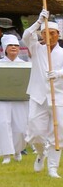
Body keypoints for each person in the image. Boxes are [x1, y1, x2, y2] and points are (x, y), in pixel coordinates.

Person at [22, 11, 63, 178]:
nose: (49, 37)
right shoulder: (37, 48)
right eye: (45, 34)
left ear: (58, 34)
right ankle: (40, 153)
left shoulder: (62, 53)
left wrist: (59, 74)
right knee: (35, 131)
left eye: (52, 34)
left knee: (58, 133)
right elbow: (26, 36)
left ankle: (53, 167)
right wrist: (38, 22)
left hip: (58, 96)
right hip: (38, 95)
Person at [0, 34, 29, 165]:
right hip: (2, 99)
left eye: (16, 46)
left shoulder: (25, 65)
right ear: (5, 48)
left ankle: (18, 150)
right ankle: (6, 154)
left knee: (21, 127)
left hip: (20, 99)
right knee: (3, 124)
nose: (13, 48)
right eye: (11, 45)